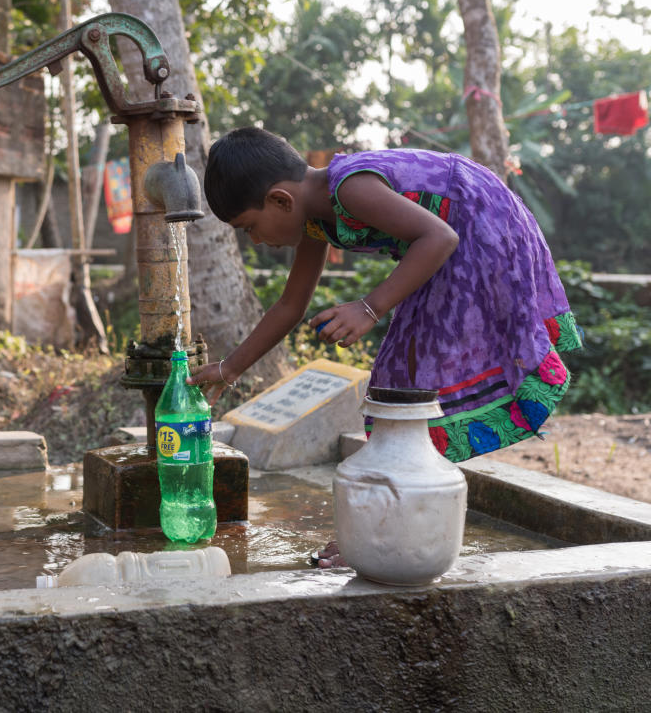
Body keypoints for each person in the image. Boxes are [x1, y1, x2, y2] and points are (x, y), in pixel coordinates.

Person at [188, 128, 582, 564]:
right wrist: (228, 369)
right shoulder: (316, 218)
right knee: (398, 390)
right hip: (444, 244)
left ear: (282, 200)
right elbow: (290, 304)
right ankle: (388, 530)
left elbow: (441, 238)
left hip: (479, 226)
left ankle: (387, 533)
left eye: (250, 228)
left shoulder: (349, 187)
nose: (256, 241)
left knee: (407, 390)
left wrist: (369, 308)